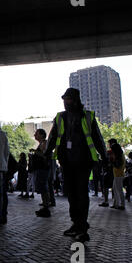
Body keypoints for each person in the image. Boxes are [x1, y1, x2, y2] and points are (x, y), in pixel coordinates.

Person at [45, 88, 107, 242]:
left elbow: (97, 138)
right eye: (64, 99)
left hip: (84, 161)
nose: (66, 102)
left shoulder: (87, 116)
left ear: (76, 99)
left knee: (81, 193)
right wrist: (47, 153)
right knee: (71, 194)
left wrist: (104, 156)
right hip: (66, 161)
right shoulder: (60, 117)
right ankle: (76, 223)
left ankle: (82, 227)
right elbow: (53, 137)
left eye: (68, 99)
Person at [31, 129, 52, 217]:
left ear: (42, 135)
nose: (35, 135)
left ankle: (46, 207)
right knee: (43, 187)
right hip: (42, 168)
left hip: (43, 169)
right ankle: (45, 206)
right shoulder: (42, 143)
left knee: (43, 187)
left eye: (36, 134)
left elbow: (44, 155)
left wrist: (34, 152)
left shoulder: (44, 143)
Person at [99, 139, 117, 207]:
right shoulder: (109, 152)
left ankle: (113, 201)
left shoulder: (114, 153)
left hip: (112, 172)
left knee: (112, 187)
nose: (109, 145)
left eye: (109, 143)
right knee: (107, 186)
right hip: (109, 171)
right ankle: (109, 201)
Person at [110, 142, 126, 210]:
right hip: (117, 175)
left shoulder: (119, 156)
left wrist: (112, 162)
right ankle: (116, 204)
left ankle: (122, 204)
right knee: (115, 189)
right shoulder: (120, 155)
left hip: (119, 175)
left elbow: (117, 165)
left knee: (119, 190)